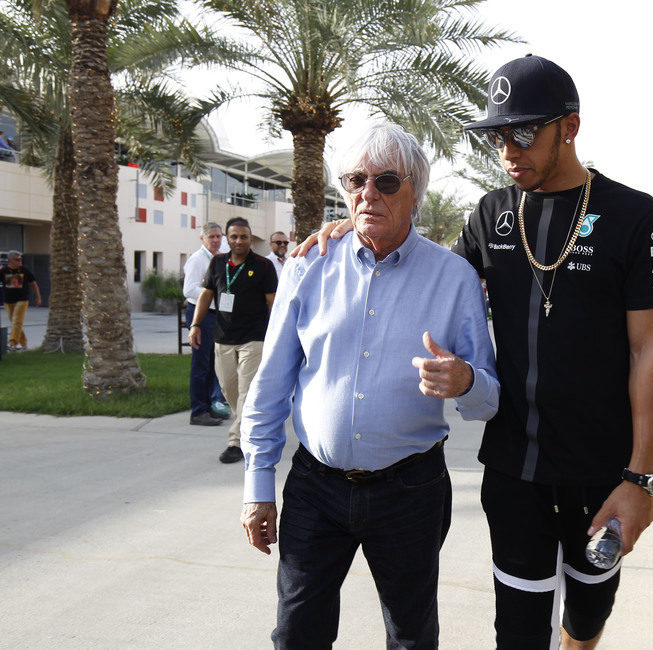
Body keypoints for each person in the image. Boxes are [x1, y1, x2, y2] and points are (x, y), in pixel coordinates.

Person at [301, 54, 653, 649]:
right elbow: (429, 270)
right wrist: (358, 225)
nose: (508, 150)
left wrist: (639, 479)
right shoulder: (492, 213)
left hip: (601, 471)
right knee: (518, 633)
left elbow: (649, 352)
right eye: (497, 136)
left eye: (524, 133)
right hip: (513, 470)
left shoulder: (634, 216)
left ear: (569, 127)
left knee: (587, 615)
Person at [240, 123, 499, 648]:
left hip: (411, 491)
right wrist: (257, 485)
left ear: (415, 192)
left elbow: (488, 400)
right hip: (315, 486)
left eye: (385, 181)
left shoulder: (454, 279)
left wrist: (465, 379)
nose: (367, 194)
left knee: (411, 635)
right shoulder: (308, 264)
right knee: (296, 635)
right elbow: (272, 381)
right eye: (355, 180)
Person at [189, 217, 276, 464]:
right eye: (234, 236)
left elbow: (273, 302)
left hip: (254, 338)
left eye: (244, 236)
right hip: (223, 338)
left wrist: (276, 334)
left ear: (250, 238)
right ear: (228, 238)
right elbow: (206, 295)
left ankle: (235, 442)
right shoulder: (217, 263)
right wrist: (195, 324)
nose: (239, 241)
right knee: (229, 389)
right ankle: (255, 427)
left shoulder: (263, 266)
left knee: (246, 392)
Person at [183, 222, 231, 426]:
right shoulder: (197, 260)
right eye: (211, 237)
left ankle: (210, 406)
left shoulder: (220, 259)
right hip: (201, 315)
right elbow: (189, 290)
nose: (216, 240)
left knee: (214, 363)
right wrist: (212, 296)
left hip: (216, 315)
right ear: (203, 238)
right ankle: (198, 410)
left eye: (219, 237)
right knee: (201, 364)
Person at [1, 251, 42, 351]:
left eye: (21, 259)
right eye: (17, 259)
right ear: (10, 260)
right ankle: (23, 344)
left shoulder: (24, 270)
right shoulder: (4, 271)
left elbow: (34, 284)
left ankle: (12, 343)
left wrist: (38, 297)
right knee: (15, 322)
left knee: (17, 321)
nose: (20, 261)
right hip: (8, 300)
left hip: (22, 299)